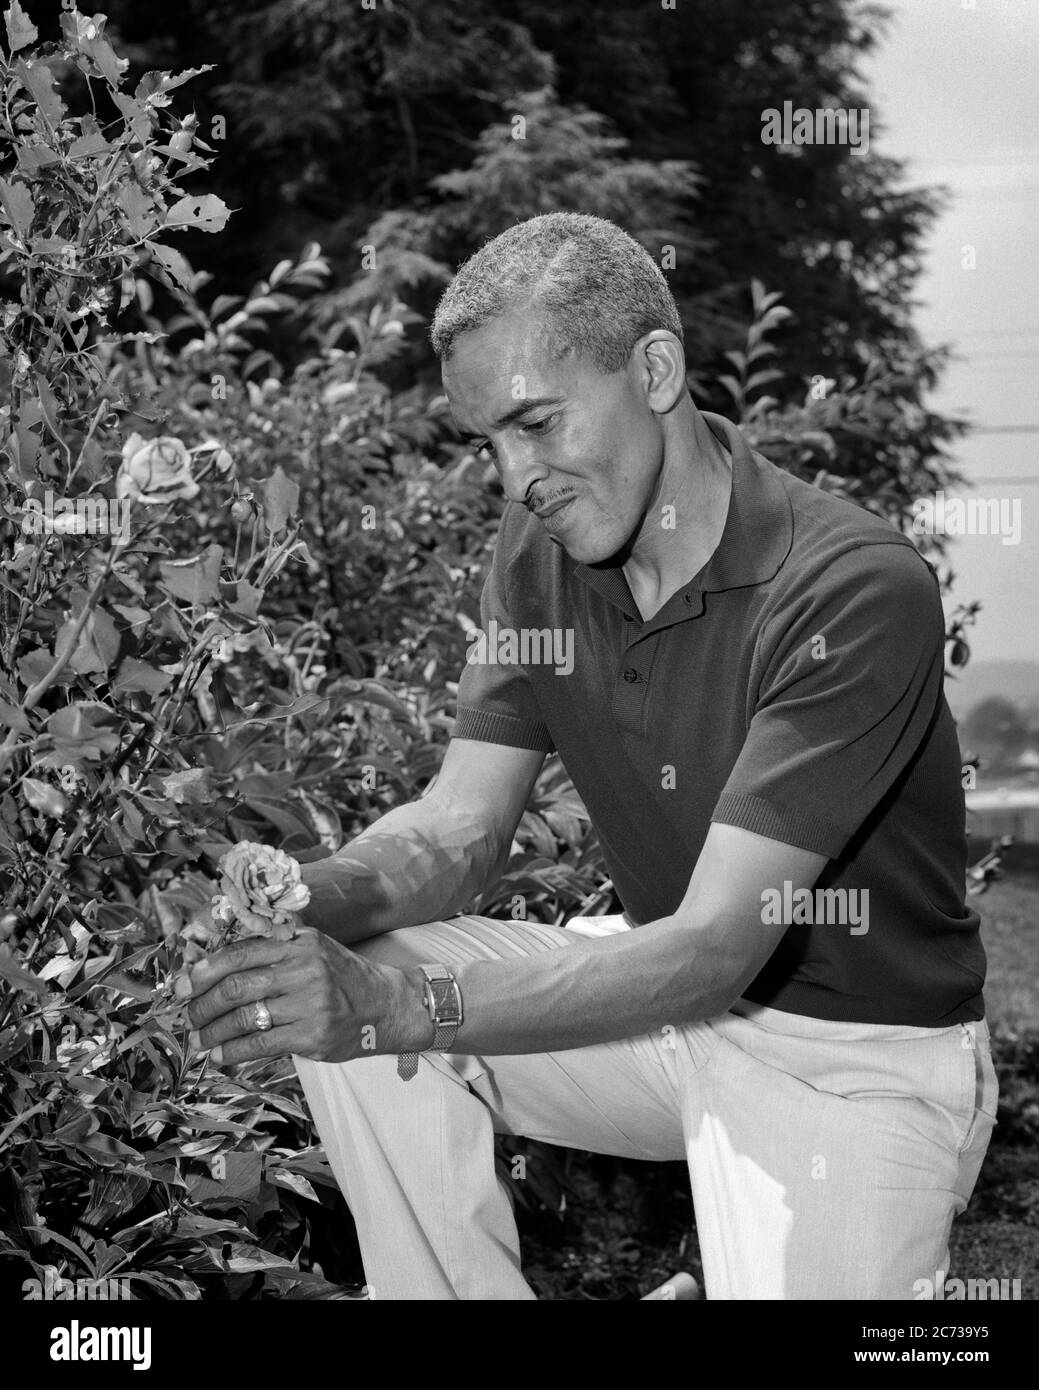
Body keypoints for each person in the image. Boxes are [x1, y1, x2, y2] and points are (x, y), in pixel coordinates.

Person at [180, 213, 997, 1300]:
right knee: (376, 955)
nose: (516, 478)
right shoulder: (542, 554)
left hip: (850, 1062)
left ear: (654, 370)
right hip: (660, 1011)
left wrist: (395, 1007)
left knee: (388, 996)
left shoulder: (849, 588)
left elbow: (715, 950)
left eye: (535, 422)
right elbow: (459, 829)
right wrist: (295, 902)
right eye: (488, 443)